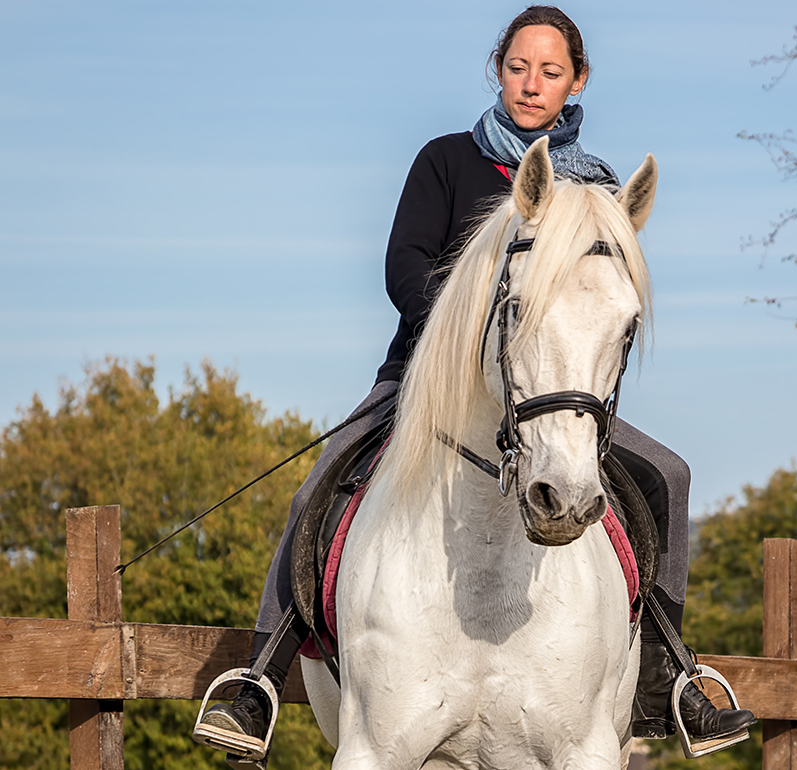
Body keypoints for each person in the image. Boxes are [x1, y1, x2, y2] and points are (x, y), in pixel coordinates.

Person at [193, 5, 754, 763]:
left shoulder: (595, 192)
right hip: (428, 383)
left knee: (670, 475)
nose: (532, 85)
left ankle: (668, 681)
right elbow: (404, 265)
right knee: (317, 487)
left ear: (577, 82)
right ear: (499, 70)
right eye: (519, 67)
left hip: (551, 396)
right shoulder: (446, 161)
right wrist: (462, 337)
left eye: (551, 72)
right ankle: (257, 680)